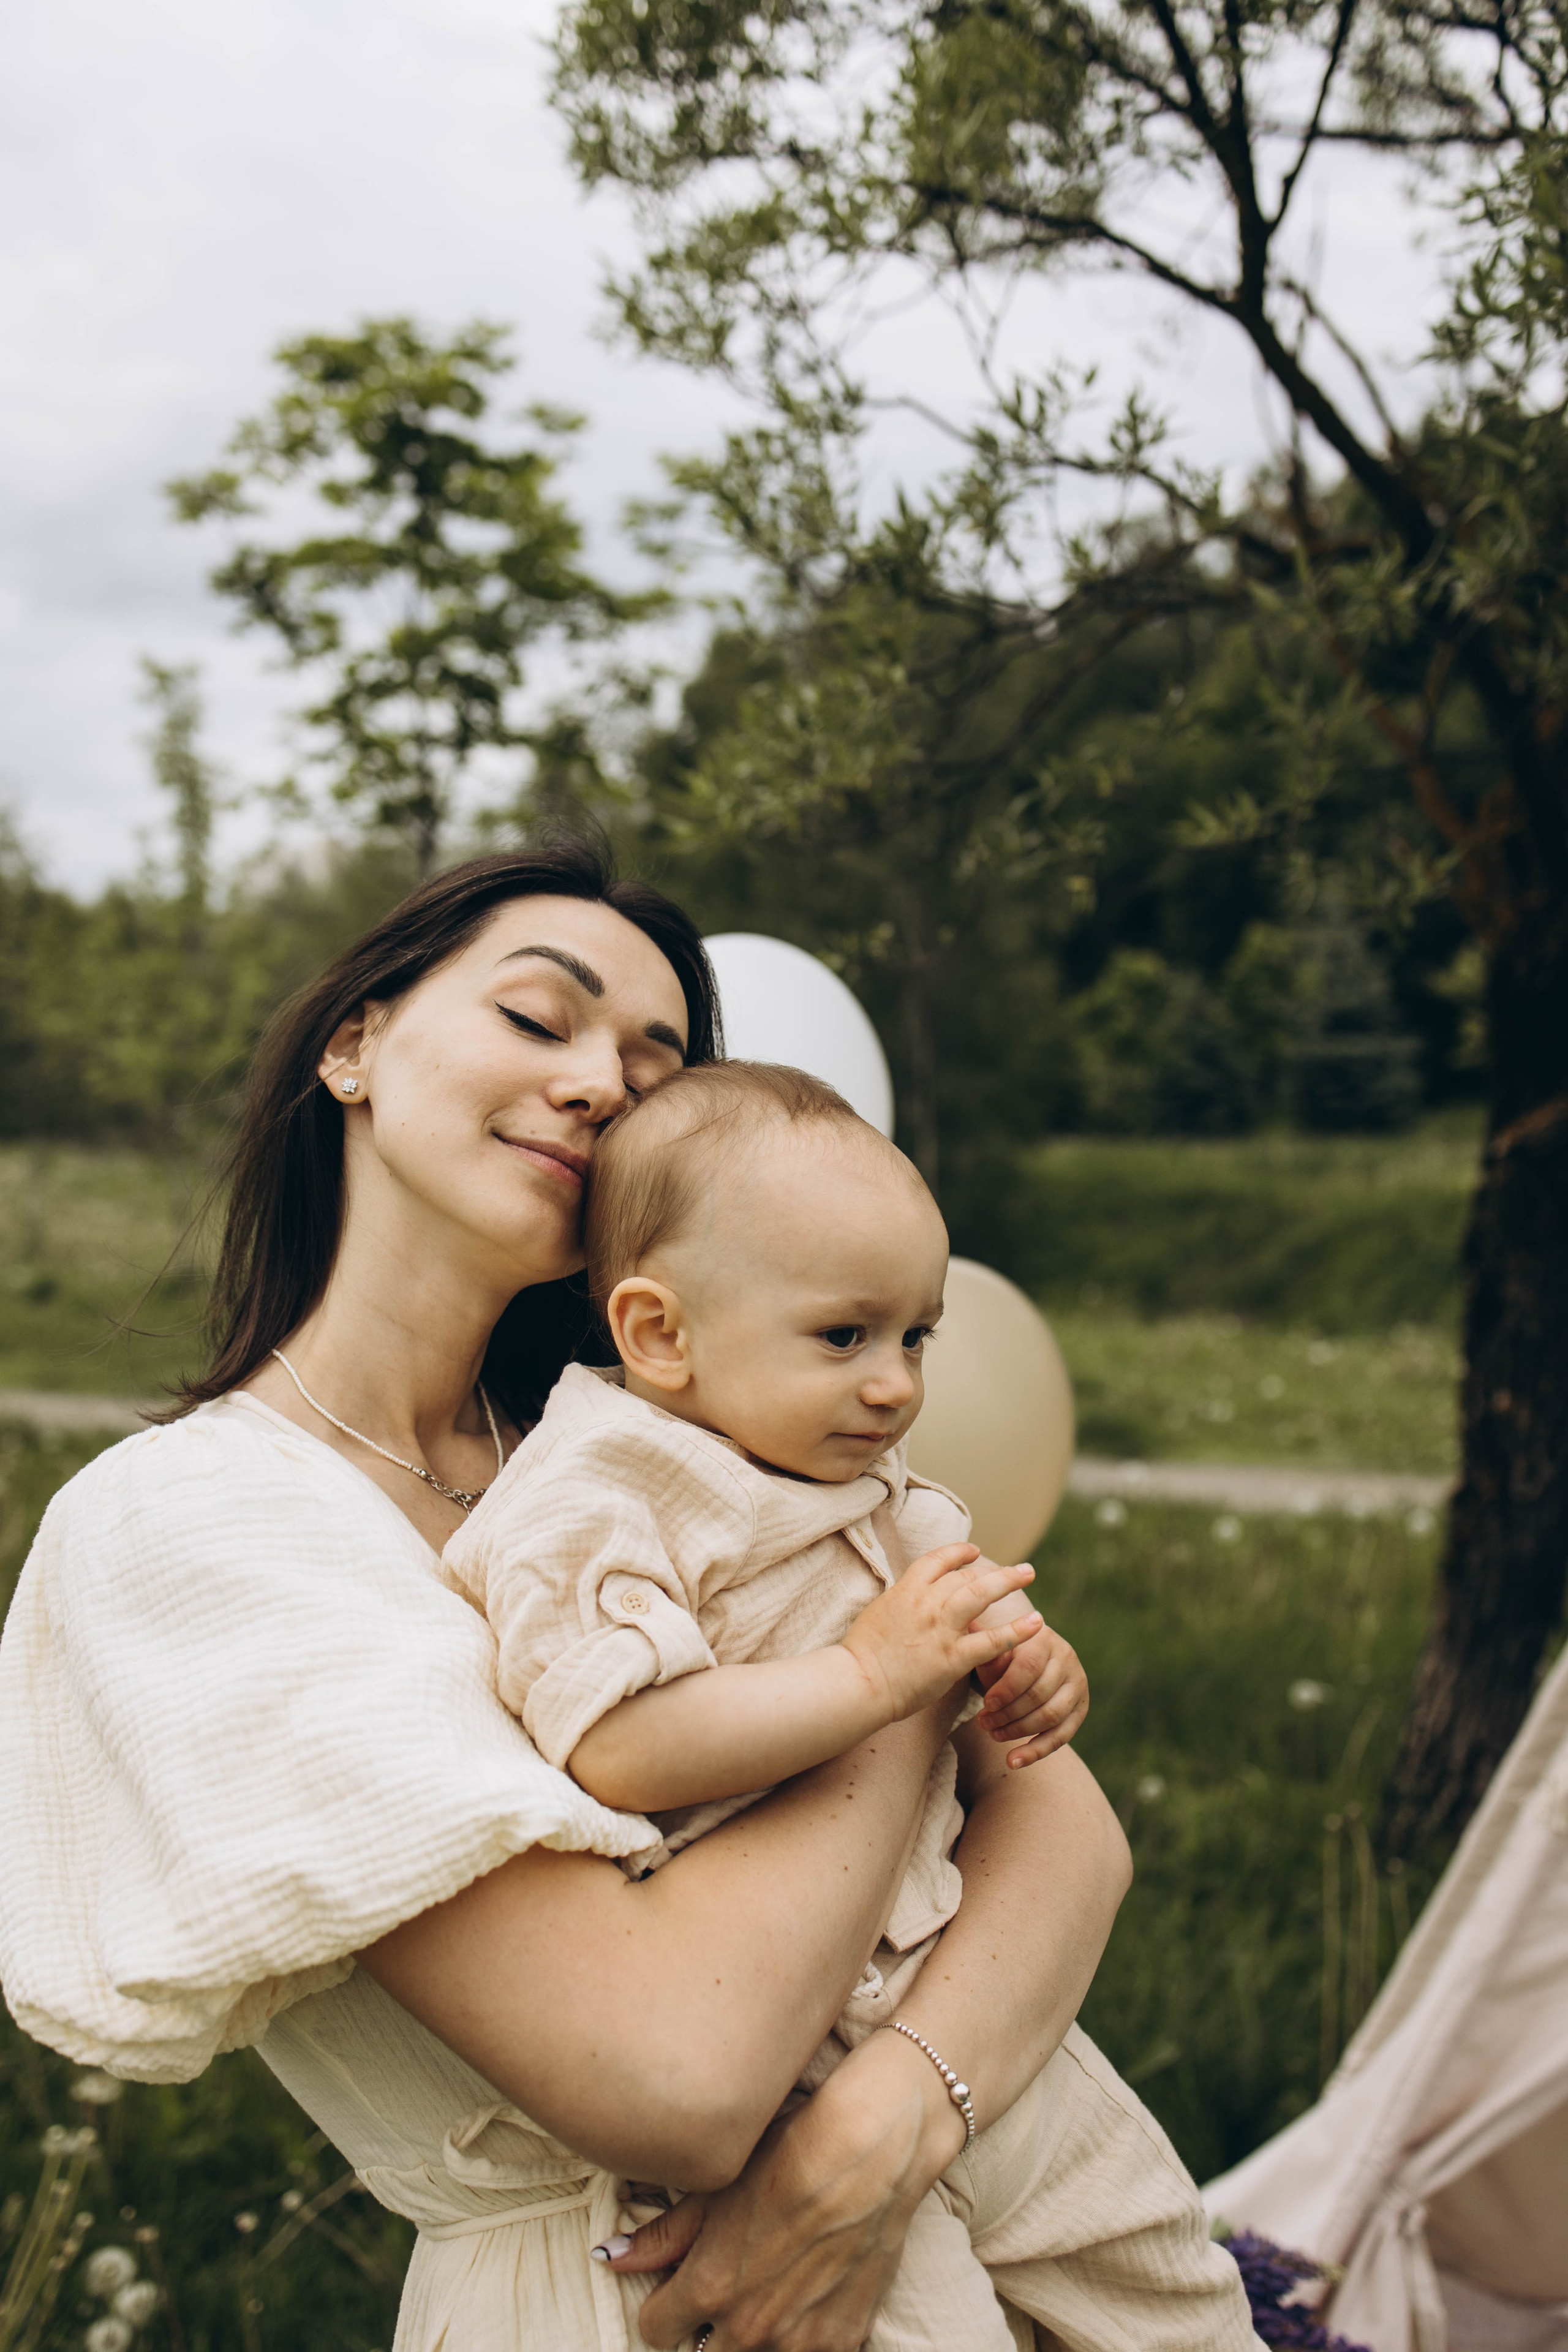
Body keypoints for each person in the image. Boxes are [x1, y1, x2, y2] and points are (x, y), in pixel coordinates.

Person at [0, 841, 1166, 2352]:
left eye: (653, 1060)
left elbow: (1064, 1826)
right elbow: (675, 2071)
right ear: (354, 1043)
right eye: (541, 1020)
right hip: (631, 2298)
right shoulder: (186, 1527)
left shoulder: (662, 1444)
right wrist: (886, 1674)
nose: (602, 1083)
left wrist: (885, 2123)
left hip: (986, 2213)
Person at [443, 1058, 1259, 2351]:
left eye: (914, 1336)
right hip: (794, 2065)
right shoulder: (597, 1497)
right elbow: (614, 1744)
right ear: (660, 1334)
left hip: (971, 2008)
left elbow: (992, 1689)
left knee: (1176, 2294)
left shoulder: (869, 1482)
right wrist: (873, 1681)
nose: (894, 1384)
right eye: (844, 1336)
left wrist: (1028, 1675)